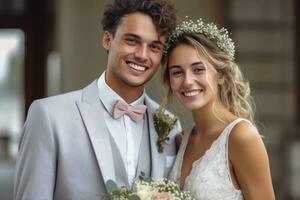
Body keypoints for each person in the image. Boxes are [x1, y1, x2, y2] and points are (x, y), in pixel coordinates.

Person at [14, 0, 181, 199]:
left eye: (154, 47)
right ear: (107, 40)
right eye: (132, 41)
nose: (142, 55)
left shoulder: (170, 126)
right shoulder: (49, 116)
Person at [164, 18, 275, 199]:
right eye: (177, 72)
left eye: (198, 69)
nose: (187, 81)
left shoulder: (241, 137)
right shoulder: (181, 139)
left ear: (221, 75)